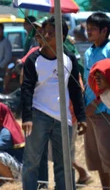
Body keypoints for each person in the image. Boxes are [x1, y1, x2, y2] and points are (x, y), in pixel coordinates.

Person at [20, 16, 86, 190]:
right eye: (44, 32)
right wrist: (27, 117)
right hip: (38, 115)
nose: (46, 35)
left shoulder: (69, 59)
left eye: (51, 32)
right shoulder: (33, 59)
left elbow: (75, 90)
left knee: (63, 164)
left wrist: (81, 116)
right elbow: (26, 89)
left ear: (62, 36)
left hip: (63, 118)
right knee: (31, 162)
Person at [84, 12, 110, 189]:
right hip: (90, 110)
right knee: (96, 157)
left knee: (109, 156)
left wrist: (95, 104)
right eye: (87, 28)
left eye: (93, 29)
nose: (89, 32)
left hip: (106, 111)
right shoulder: (88, 51)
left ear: (104, 30)